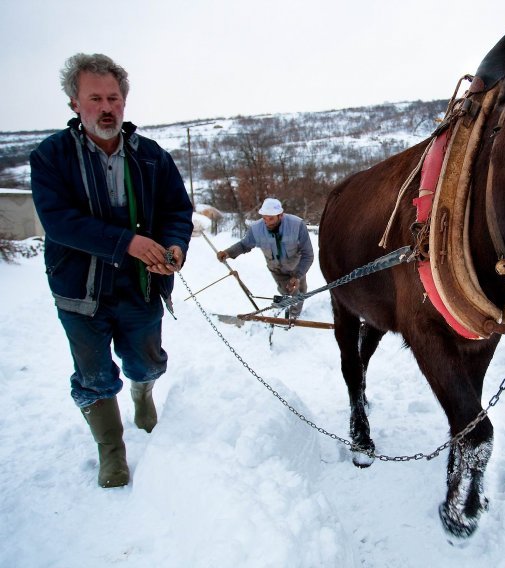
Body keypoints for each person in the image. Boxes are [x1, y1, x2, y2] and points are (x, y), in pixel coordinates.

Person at [30, 53, 193, 488]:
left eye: (114, 98)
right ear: (74, 103)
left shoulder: (151, 156)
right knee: (95, 374)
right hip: (79, 289)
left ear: (125, 101)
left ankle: (143, 393)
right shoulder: (51, 157)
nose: (107, 107)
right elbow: (60, 222)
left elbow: (178, 209)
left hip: (141, 284)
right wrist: (128, 243)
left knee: (147, 361)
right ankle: (111, 451)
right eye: (95, 98)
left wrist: (174, 246)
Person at [217, 198, 314, 320]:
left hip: (297, 266)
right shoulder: (257, 229)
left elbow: (308, 254)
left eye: (271, 218)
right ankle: (292, 319)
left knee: (302, 290)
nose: (267, 222)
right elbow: (244, 245)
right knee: (291, 293)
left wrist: (298, 275)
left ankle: (294, 313)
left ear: (280, 215)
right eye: (264, 218)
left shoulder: (297, 225)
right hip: (277, 270)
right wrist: (228, 252)